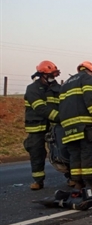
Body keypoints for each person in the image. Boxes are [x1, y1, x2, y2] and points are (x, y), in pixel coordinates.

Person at [59, 61, 92, 191]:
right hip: (84, 124)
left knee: (75, 155)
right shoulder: (86, 78)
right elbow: (90, 97)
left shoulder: (66, 83)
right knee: (88, 153)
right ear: (91, 72)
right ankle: (91, 184)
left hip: (68, 127)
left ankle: (78, 184)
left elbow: (61, 105)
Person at [24, 60, 61, 190]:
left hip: (54, 126)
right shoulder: (32, 89)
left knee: (62, 150)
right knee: (36, 153)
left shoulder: (58, 88)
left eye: (54, 75)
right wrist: (59, 117)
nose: (53, 77)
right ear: (42, 75)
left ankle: (71, 178)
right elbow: (40, 108)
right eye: (51, 75)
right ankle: (38, 181)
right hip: (37, 127)